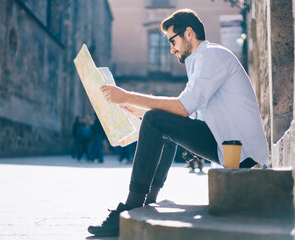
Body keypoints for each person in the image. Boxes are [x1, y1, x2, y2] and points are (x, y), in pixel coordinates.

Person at [87, 9, 269, 237]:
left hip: (242, 153)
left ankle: (132, 204)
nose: (172, 48)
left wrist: (127, 96)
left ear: (189, 33)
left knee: (155, 119)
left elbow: (182, 107)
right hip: (231, 146)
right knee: (156, 120)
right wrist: (137, 109)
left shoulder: (211, 55)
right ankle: (148, 199)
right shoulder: (200, 60)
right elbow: (186, 114)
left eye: (173, 41)